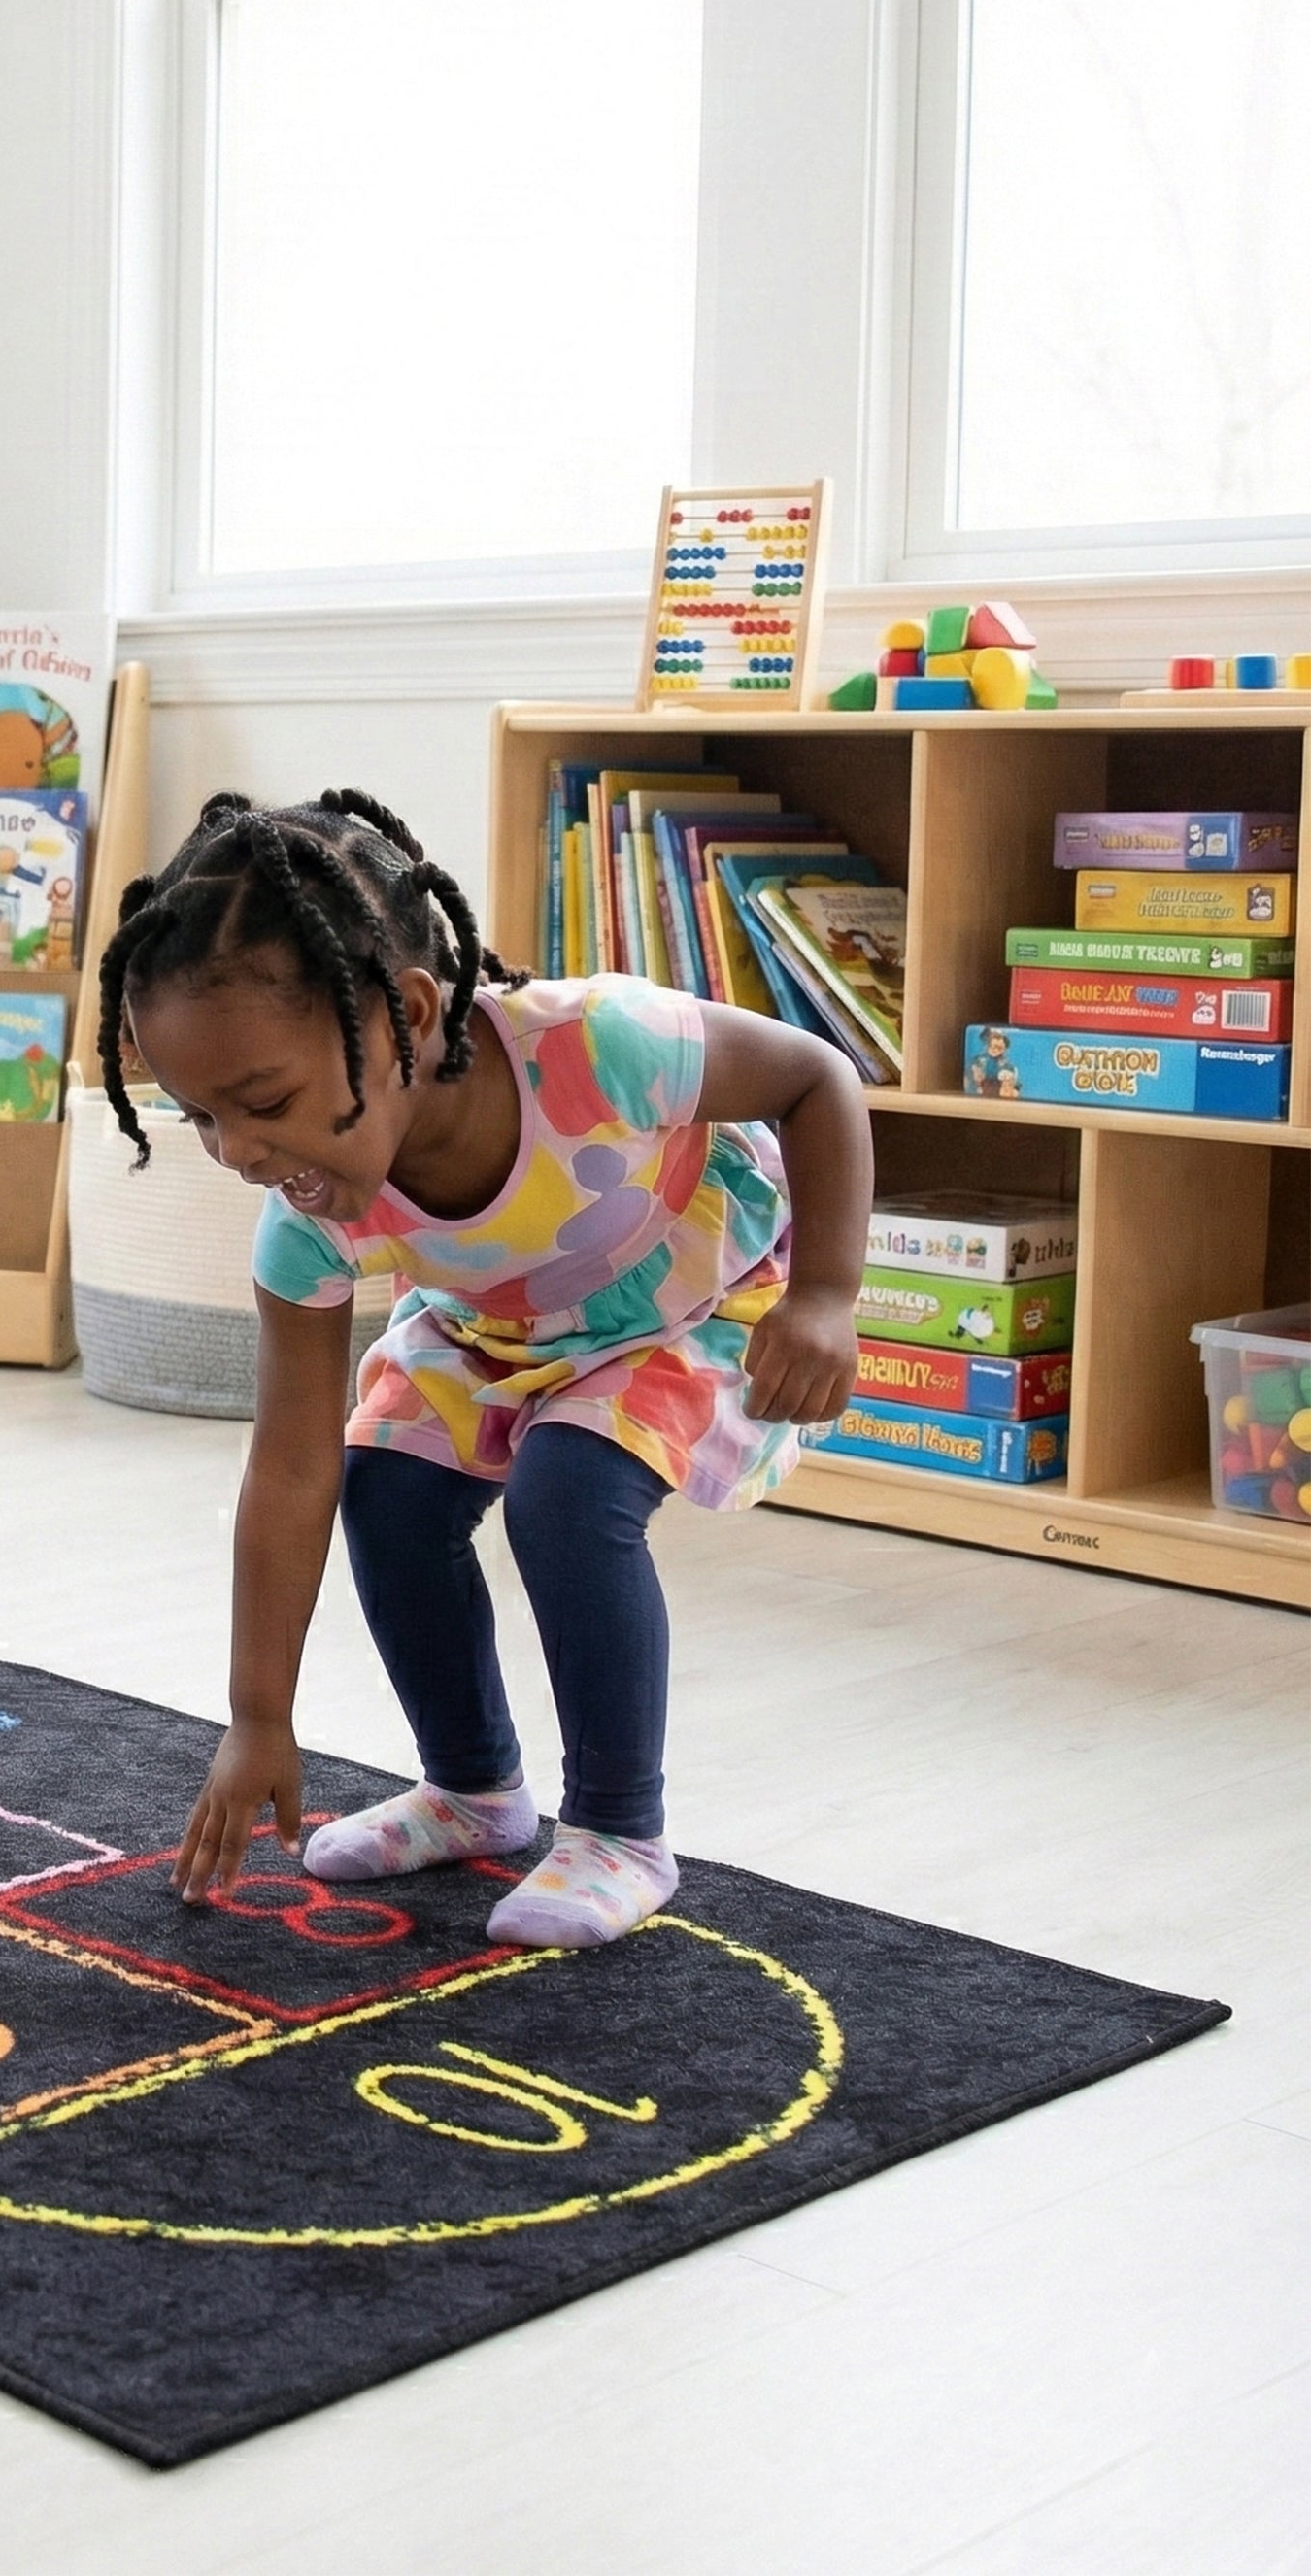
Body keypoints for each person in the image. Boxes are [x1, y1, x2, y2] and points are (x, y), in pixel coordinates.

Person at [99, 790, 867, 1948]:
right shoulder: (304, 1219)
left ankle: (618, 1831)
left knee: (568, 1489)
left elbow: (818, 1080)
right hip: (497, 1328)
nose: (241, 1153)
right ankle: (473, 1792)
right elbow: (290, 1466)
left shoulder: (601, 1045)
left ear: (408, 1014)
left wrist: (827, 1299)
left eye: (264, 1103)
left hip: (696, 1294)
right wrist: (259, 1717)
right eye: (201, 1118)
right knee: (386, 1489)